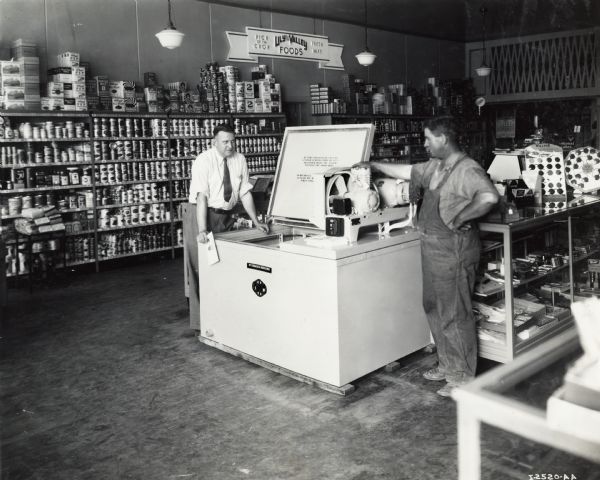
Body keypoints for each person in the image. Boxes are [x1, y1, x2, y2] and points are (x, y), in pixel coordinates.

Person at [371, 116, 499, 397]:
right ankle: (447, 364)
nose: (425, 143)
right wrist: (373, 165)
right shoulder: (436, 166)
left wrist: (461, 217)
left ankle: (462, 376)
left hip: (453, 248)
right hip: (432, 247)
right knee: (432, 305)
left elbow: (489, 197)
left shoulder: (466, 169)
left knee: (454, 311)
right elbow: (407, 171)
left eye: (428, 138)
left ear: (442, 139)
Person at [184, 124, 269, 330]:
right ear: (214, 142)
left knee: (224, 262)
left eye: (232, 141)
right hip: (201, 215)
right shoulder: (203, 161)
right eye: (225, 142)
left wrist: (256, 220)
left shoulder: (239, 159)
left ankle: (223, 316)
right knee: (201, 267)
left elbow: (245, 192)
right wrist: (203, 229)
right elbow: (201, 196)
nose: (230, 145)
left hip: (225, 216)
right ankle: (202, 323)